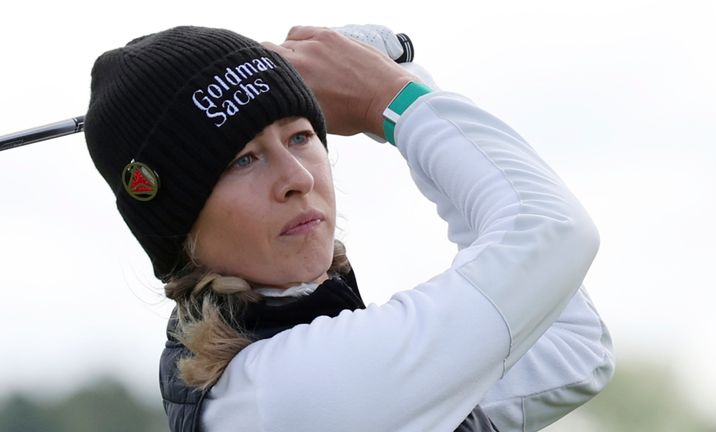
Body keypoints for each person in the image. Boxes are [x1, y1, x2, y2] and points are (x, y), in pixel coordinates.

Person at [84, 25, 613, 432]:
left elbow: (570, 341)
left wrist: (405, 86)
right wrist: (391, 97)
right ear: (180, 225)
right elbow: (554, 232)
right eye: (242, 160)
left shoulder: (294, 376)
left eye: (299, 136)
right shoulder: (284, 392)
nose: (297, 177)